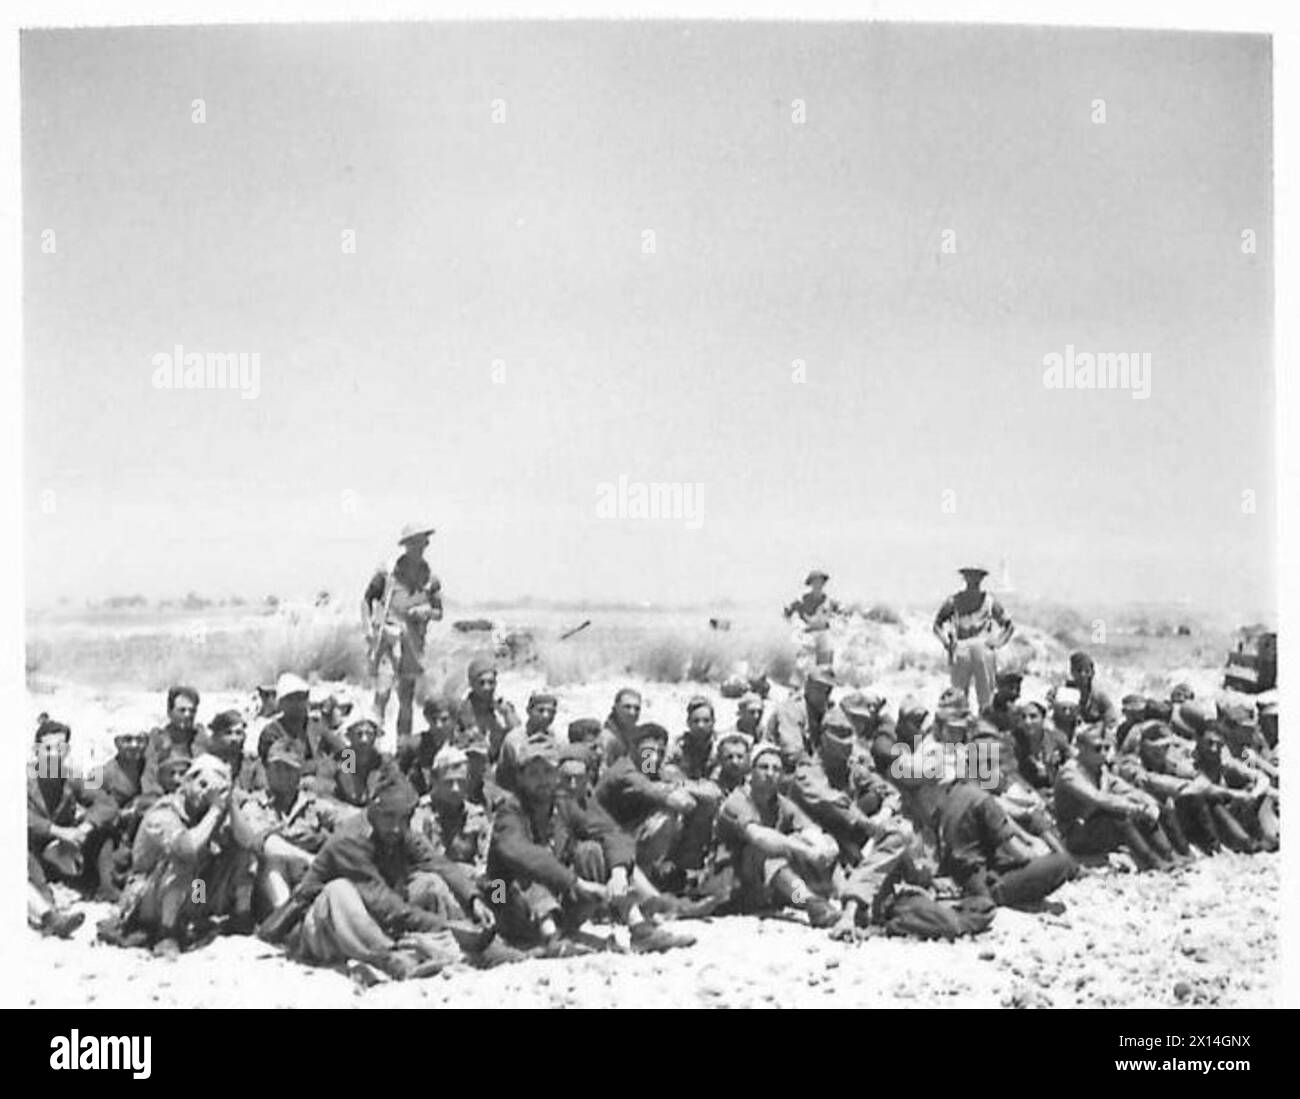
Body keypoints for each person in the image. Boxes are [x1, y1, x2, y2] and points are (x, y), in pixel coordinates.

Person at [262, 774, 498, 980]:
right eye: (389, 818)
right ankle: (391, 958)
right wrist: (444, 925)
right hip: (326, 929)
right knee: (339, 890)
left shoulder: (399, 830)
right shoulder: (350, 840)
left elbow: (438, 863)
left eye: (403, 818)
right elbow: (383, 903)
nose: (396, 827)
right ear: (374, 810)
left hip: (378, 919)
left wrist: (473, 899)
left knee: (430, 883)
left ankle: (471, 948)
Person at [488, 738, 694, 955]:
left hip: (556, 902)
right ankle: (551, 938)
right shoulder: (509, 810)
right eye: (534, 774)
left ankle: (639, 929)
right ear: (520, 778)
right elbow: (519, 853)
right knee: (524, 871)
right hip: (502, 899)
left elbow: (610, 832)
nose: (543, 781)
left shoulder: (563, 803)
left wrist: (619, 873)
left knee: (592, 851)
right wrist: (575, 883)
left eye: (548, 772)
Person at [111, 755, 257, 955]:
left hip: (196, 893)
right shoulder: (165, 811)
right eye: (202, 784)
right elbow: (186, 848)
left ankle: (240, 918)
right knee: (185, 859)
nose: (206, 792)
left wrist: (229, 802)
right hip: (148, 898)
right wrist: (215, 810)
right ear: (187, 783)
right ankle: (167, 932)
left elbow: (250, 841)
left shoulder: (212, 811)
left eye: (214, 788)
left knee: (242, 853)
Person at [713, 744, 841, 927]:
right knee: (769, 851)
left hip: (766, 882)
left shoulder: (780, 803)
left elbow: (810, 829)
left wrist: (823, 847)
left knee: (823, 841)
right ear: (751, 772)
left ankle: (844, 898)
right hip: (732, 884)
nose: (770, 773)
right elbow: (759, 837)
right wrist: (805, 850)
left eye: (776, 769)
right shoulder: (737, 801)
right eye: (764, 767)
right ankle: (811, 903)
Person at [596, 723, 720, 891]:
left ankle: (682, 872)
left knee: (704, 807)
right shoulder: (626, 772)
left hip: (628, 834)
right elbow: (683, 803)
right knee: (665, 817)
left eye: (660, 752)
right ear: (633, 748)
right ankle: (647, 878)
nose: (653, 757)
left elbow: (713, 793)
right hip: (608, 839)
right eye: (648, 752)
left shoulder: (651, 769)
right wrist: (676, 787)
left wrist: (678, 784)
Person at [28, 718, 115, 936]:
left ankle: (107, 888)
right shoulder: (21, 778)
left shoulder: (71, 776)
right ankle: (50, 913)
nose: (54, 755)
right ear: (36, 750)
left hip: (64, 851)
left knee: (105, 831)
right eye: (48, 749)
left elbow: (106, 802)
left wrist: (86, 826)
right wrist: (58, 831)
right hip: (34, 848)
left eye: (61, 749)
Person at [1053, 728, 1182, 872]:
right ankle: (1153, 861)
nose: (1103, 753)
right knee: (1119, 815)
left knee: (1150, 806)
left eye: (1106, 748)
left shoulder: (1100, 770)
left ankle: (1171, 855)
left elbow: (1126, 789)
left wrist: (1148, 803)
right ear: (1081, 748)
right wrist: (1134, 808)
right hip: (1076, 834)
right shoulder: (1070, 772)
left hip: (1095, 826)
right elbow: (1097, 798)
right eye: (1097, 748)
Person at [363, 522, 444, 742]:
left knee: (406, 699)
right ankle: (369, 746)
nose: (419, 546)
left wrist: (425, 611)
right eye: (414, 542)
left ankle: (403, 747)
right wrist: (368, 628)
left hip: (413, 643)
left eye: (422, 542)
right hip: (389, 639)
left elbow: (439, 612)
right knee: (382, 692)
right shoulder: (388, 573)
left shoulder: (430, 578)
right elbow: (367, 599)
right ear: (406, 545)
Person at [241, 741, 344, 912]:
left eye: (288, 769)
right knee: (273, 861)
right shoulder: (254, 805)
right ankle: (285, 916)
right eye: (276, 768)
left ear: (298, 774)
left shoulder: (314, 804)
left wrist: (327, 841)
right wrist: (309, 859)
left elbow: (346, 823)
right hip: (265, 885)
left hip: (307, 878)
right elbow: (262, 842)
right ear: (267, 770)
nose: (281, 774)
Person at [933, 566, 1014, 711]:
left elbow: (1008, 625)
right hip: (961, 646)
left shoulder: (989, 601)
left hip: (982, 646)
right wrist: (946, 643)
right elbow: (937, 624)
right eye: (969, 576)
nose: (973, 580)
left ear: (982, 579)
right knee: (957, 695)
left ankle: (985, 724)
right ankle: (959, 724)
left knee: (986, 695)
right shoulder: (954, 601)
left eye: (977, 577)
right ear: (964, 579)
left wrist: (997, 643)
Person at [92, 728, 156, 901]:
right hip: (114, 830)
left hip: (142, 825)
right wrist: (122, 814)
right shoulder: (103, 773)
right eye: (127, 740)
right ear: (117, 743)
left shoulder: (149, 766)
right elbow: (93, 805)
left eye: (140, 740)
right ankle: (107, 887)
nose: (135, 745)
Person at [1193, 726, 1278, 852]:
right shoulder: (1193, 766)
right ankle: (1246, 840)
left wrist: (1253, 794)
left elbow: (1261, 776)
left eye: (1218, 745)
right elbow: (1207, 789)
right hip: (1208, 819)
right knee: (1213, 801)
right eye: (1209, 744)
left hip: (1233, 811)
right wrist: (1238, 795)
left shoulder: (1233, 759)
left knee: (1262, 791)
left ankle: (1266, 834)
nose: (1214, 749)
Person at [411, 746, 492, 871]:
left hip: (472, 881)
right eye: (449, 782)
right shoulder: (421, 814)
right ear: (434, 780)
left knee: (499, 884)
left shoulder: (476, 816)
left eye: (461, 782)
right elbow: (423, 861)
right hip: (434, 881)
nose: (456, 789)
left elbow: (486, 859)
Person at [257, 673, 344, 783]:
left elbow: (346, 752)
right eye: (292, 699)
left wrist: (347, 776)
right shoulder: (272, 733)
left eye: (302, 697)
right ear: (282, 703)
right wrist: (322, 765)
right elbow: (285, 768)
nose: (299, 703)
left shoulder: (315, 726)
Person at [316, 719, 405, 811]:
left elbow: (400, 788)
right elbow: (322, 790)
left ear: (375, 736)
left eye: (369, 734)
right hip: (342, 813)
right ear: (349, 736)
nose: (364, 740)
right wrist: (341, 808)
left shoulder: (384, 762)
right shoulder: (339, 760)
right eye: (359, 734)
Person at [762, 665, 836, 771]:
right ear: (807, 687)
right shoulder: (792, 709)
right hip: (777, 768)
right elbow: (792, 753)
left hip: (807, 767)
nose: (825, 694)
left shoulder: (824, 711)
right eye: (819, 688)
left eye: (828, 690)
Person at [142, 686, 208, 798]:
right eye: (182, 710)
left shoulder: (200, 739)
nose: (187, 715)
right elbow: (149, 777)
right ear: (169, 712)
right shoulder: (157, 740)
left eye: (192, 711)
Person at [454, 655, 520, 764]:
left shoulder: (502, 706)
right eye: (481, 683)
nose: (487, 688)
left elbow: (518, 735)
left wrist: (507, 714)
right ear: (471, 684)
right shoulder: (461, 710)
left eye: (491, 682)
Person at [496, 691, 560, 794]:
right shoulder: (515, 739)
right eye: (541, 710)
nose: (546, 716)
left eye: (551, 712)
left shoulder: (554, 738)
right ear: (529, 711)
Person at [398, 697, 458, 795]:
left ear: (454, 719)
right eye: (434, 719)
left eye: (444, 719)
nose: (438, 725)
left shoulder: (464, 745)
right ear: (427, 718)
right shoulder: (414, 745)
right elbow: (398, 778)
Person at [201, 710, 264, 796]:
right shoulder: (207, 763)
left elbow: (262, 792)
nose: (234, 739)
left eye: (238, 733)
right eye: (228, 733)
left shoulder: (252, 763)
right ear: (217, 736)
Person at [1065, 652, 1119, 736]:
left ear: (1092, 673)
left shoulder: (1100, 697)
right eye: (1079, 670)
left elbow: (1111, 722)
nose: (1083, 675)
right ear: (1072, 672)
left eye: (1087, 671)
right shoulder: (1065, 693)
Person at [595, 687, 643, 769]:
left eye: (637, 708)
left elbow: (648, 769)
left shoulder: (640, 735)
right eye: (627, 707)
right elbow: (603, 774)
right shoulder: (607, 738)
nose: (632, 712)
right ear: (616, 708)